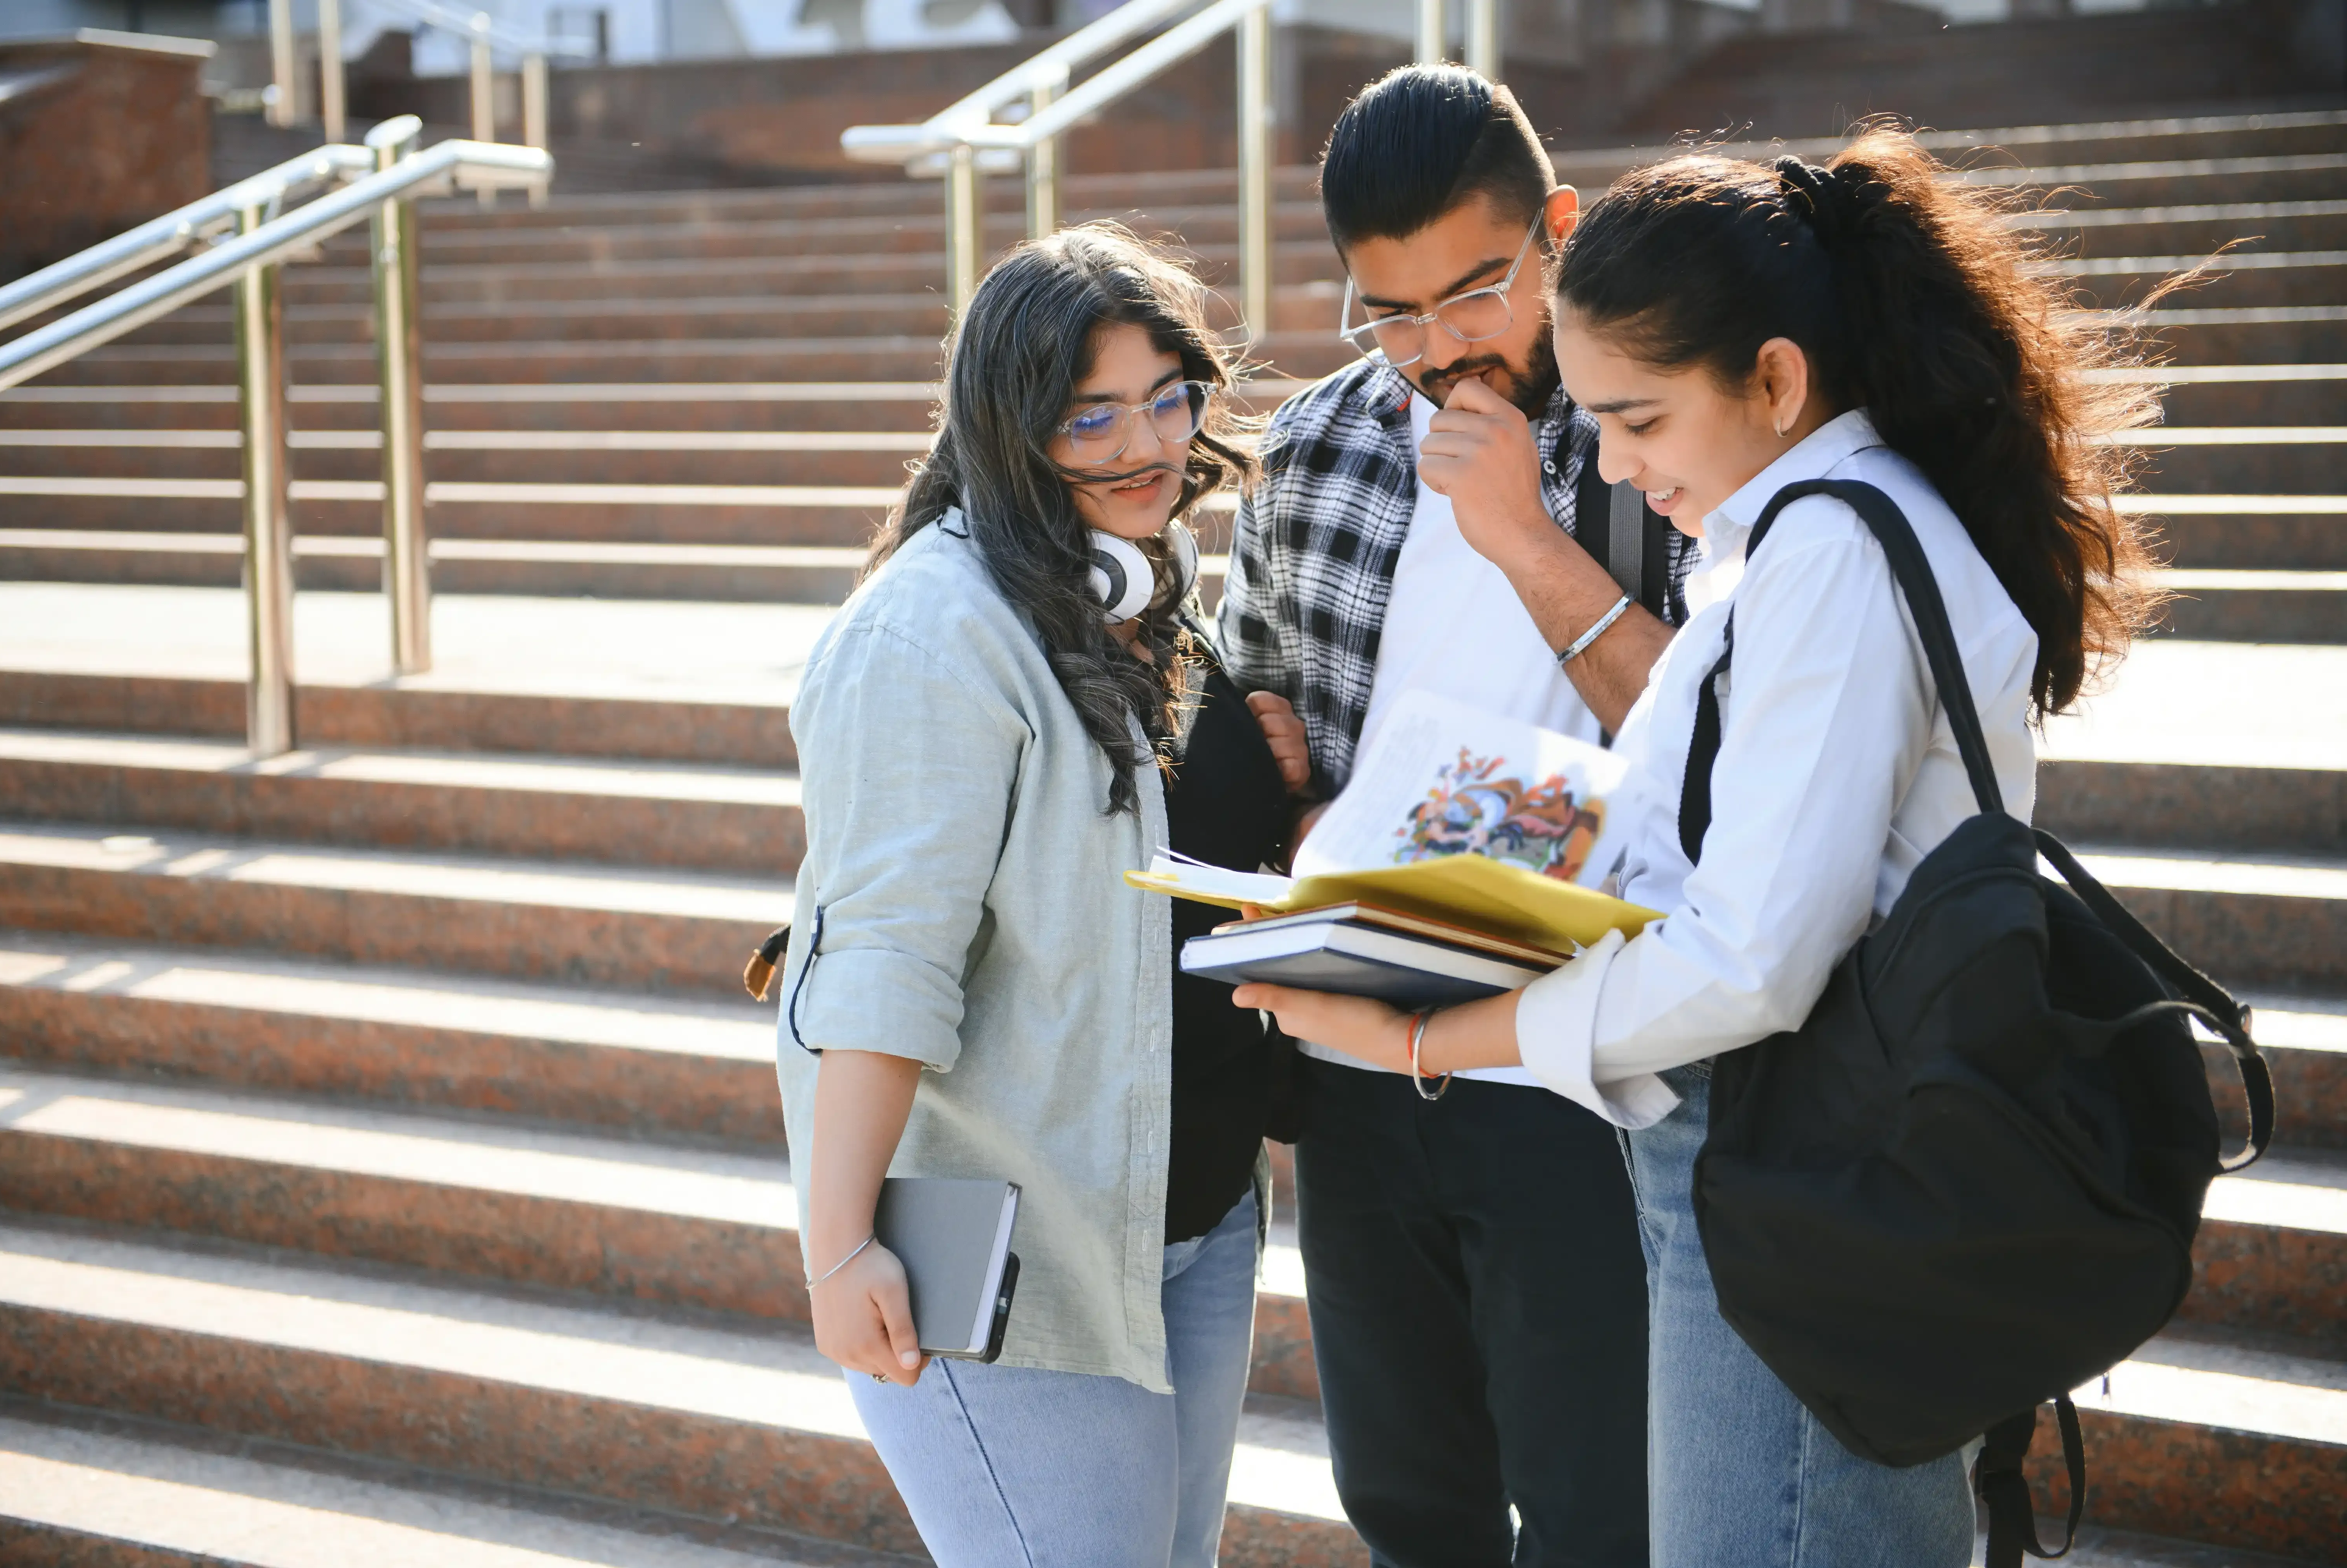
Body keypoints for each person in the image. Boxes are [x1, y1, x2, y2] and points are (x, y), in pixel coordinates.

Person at [1233, 129, 2163, 1568]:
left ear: (1776, 381)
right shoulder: (1778, 537)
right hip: (1764, 1157)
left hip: (1811, 1154)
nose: (1610, 462)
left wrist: (1426, 1038)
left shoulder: (1830, 553)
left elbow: (1750, 962)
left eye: (1641, 420)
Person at [776, 223, 1314, 1566]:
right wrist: (838, 1251)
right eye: (1091, 416)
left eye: (1168, 399)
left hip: (1185, 1224)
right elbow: (883, 960)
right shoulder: (932, 634)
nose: (1147, 445)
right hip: (1013, 1258)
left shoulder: (1137, 592)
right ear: (1010, 431)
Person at [1215, 65, 1686, 1567]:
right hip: (1360, 1046)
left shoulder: (1662, 429)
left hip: (1582, 1051)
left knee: (1603, 1507)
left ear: (1560, 230)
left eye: (1476, 294)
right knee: (1408, 1500)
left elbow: (1730, 740)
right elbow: (1256, 687)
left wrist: (1521, 533)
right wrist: (1274, 775)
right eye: (1392, 314)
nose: (1438, 350)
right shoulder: (1316, 446)